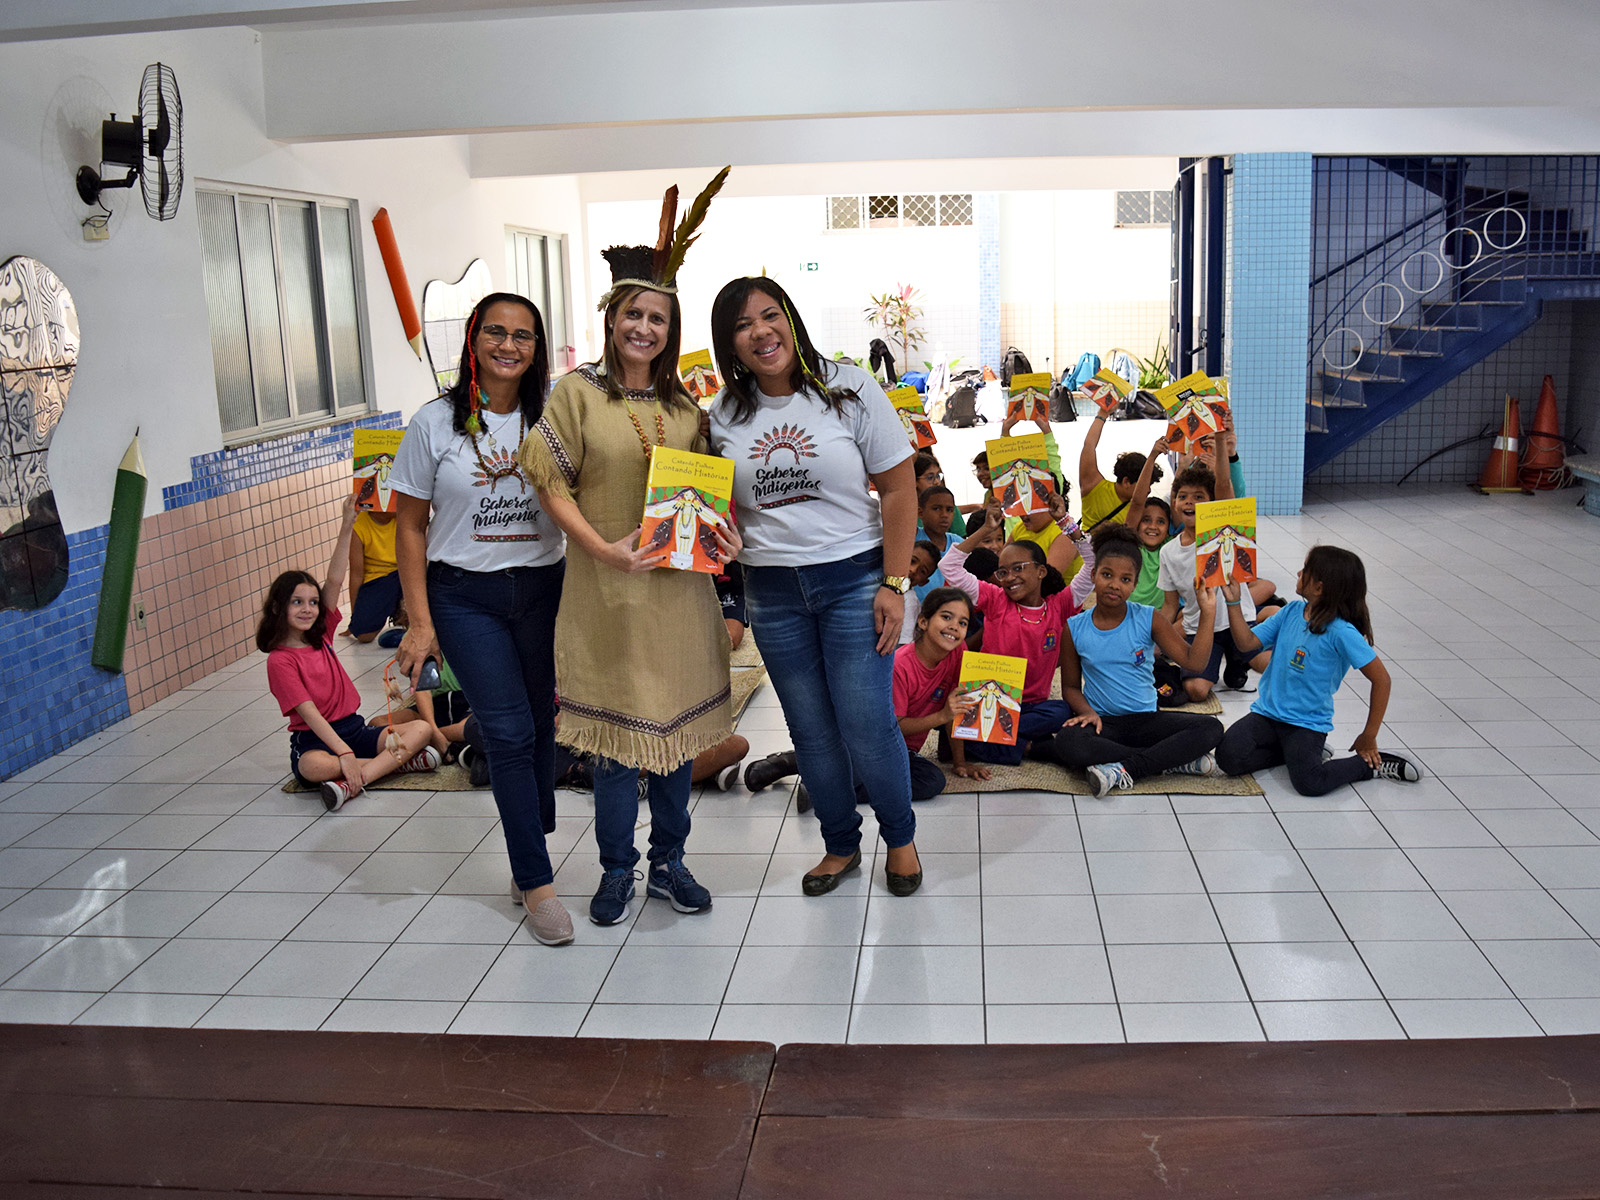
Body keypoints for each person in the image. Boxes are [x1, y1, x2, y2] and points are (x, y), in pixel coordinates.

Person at [520, 173, 736, 925]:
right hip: (607, 594)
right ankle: (617, 870)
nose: (644, 328)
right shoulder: (576, 394)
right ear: (612, 319)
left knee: (675, 740)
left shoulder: (685, 406)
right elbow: (550, 484)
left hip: (680, 596)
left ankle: (669, 864)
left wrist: (726, 535)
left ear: (671, 330)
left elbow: (707, 495)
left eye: (658, 318)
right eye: (633, 314)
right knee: (616, 747)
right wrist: (603, 551)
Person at [707, 274, 924, 897]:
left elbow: (900, 488)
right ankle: (840, 845)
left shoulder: (847, 388)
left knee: (866, 722)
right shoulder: (723, 415)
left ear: (791, 319)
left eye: (769, 316)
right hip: (772, 591)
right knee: (809, 728)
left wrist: (894, 583)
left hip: (854, 579)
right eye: (742, 325)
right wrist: (719, 537)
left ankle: (901, 841)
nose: (760, 332)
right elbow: (714, 506)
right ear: (730, 343)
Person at [389, 291, 573, 946]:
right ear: (472, 340)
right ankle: (537, 879)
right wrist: (420, 623)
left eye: (523, 335)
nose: (508, 345)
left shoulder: (552, 417)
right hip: (464, 596)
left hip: (543, 588)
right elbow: (409, 527)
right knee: (509, 730)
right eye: (495, 332)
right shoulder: (434, 423)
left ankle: (530, 840)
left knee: (542, 722)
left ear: (537, 348)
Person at [258, 495, 438, 813]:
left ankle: (355, 779)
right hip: (315, 740)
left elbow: (335, 579)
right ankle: (392, 765)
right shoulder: (280, 660)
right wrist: (342, 753)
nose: (307, 609)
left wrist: (347, 525)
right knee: (312, 767)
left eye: (313, 602)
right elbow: (310, 714)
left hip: (354, 730)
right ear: (277, 607)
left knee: (421, 729)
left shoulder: (321, 635)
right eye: (297, 602)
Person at [1215, 546, 1421, 795]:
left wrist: (1369, 734)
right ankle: (1295, 755)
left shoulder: (1341, 632)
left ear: (1320, 588)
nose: (1298, 573)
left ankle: (1369, 766)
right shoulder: (1290, 611)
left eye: (1305, 570)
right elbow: (1246, 643)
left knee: (1309, 784)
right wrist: (1233, 602)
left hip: (1306, 724)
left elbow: (1382, 680)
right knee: (1228, 758)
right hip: (1267, 714)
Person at [1041, 524, 1226, 798]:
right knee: (1069, 742)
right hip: (1102, 723)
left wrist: (1207, 613)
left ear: (1135, 584)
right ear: (1093, 574)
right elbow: (1069, 687)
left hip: (1147, 720)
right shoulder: (1074, 627)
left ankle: (1125, 768)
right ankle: (1165, 761)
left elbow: (1195, 663)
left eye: (1125, 579)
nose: (1115, 585)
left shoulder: (1148, 618)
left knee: (1210, 727)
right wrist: (1087, 712)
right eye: (1107, 575)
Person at [938, 498, 1094, 764]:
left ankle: (981, 737)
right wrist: (985, 529)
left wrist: (1065, 521)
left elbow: (1092, 565)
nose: (1009, 577)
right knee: (962, 713)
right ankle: (1028, 747)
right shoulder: (995, 599)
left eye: (1018, 569)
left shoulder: (1060, 605)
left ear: (1041, 571)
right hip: (991, 698)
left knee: (1061, 711)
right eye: (1002, 572)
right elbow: (949, 566)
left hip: (1033, 706)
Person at [1157, 445, 1264, 701]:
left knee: (1272, 666)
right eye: (1183, 496)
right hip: (1200, 628)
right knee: (1196, 690)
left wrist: (1221, 440)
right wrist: (1156, 638)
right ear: (1175, 503)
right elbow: (1170, 605)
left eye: (1199, 497)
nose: (1189, 501)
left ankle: (1238, 661)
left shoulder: (1225, 532)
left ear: (1213, 504)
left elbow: (1224, 484)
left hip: (1239, 620)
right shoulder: (1168, 551)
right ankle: (1228, 661)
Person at [893, 587, 987, 798]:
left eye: (963, 623)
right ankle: (840, 787)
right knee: (930, 781)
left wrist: (959, 762)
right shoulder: (900, 665)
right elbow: (893, 727)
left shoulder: (958, 651)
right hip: (880, 747)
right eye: (946, 617)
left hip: (904, 752)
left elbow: (956, 708)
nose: (954, 627)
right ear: (923, 622)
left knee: (930, 779)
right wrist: (941, 716)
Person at [1077, 405, 1160, 531]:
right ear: (1126, 481)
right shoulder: (1137, 507)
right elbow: (1089, 446)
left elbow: (1090, 445)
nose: (1148, 490)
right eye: (1144, 484)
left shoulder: (1092, 485)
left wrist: (1102, 414)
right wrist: (1102, 415)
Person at [345, 508, 402, 643]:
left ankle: (404, 615)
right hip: (378, 582)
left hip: (404, 574)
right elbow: (356, 575)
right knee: (363, 635)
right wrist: (355, 616)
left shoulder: (404, 517)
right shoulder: (359, 525)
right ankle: (398, 610)